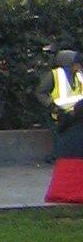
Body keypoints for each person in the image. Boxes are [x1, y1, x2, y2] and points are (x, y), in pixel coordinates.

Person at [46, 51, 83, 206]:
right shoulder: (55, 75)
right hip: (65, 117)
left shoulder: (79, 76)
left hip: (69, 123)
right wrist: (53, 107)